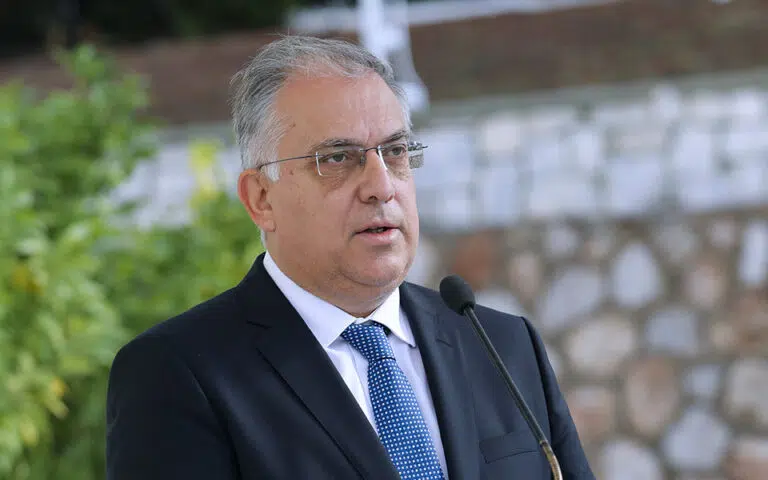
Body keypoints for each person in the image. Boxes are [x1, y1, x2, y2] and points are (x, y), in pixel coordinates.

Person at [105, 35, 595, 480]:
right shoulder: (178, 373)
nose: (381, 186)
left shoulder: (502, 345)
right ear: (261, 198)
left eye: (395, 152)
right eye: (337, 158)